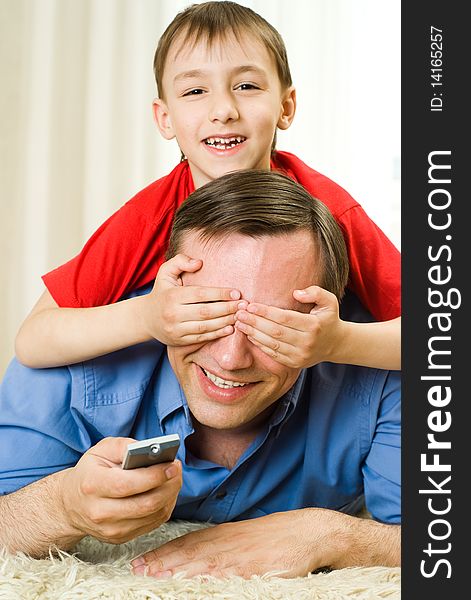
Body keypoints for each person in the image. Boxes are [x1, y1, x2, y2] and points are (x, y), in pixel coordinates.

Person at [0, 170, 400, 578]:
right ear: (169, 292)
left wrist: (331, 534)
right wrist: (62, 507)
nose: (231, 358)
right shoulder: (73, 357)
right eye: (205, 315)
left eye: (272, 328)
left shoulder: (381, 366)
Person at [14, 1, 401, 374]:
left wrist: (339, 342)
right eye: (195, 91)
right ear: (165, 119)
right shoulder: (151, 216)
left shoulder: (328, 208)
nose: (223, 110)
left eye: (247, 85)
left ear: (286, 106)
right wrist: (145, 317)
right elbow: (33, 339)